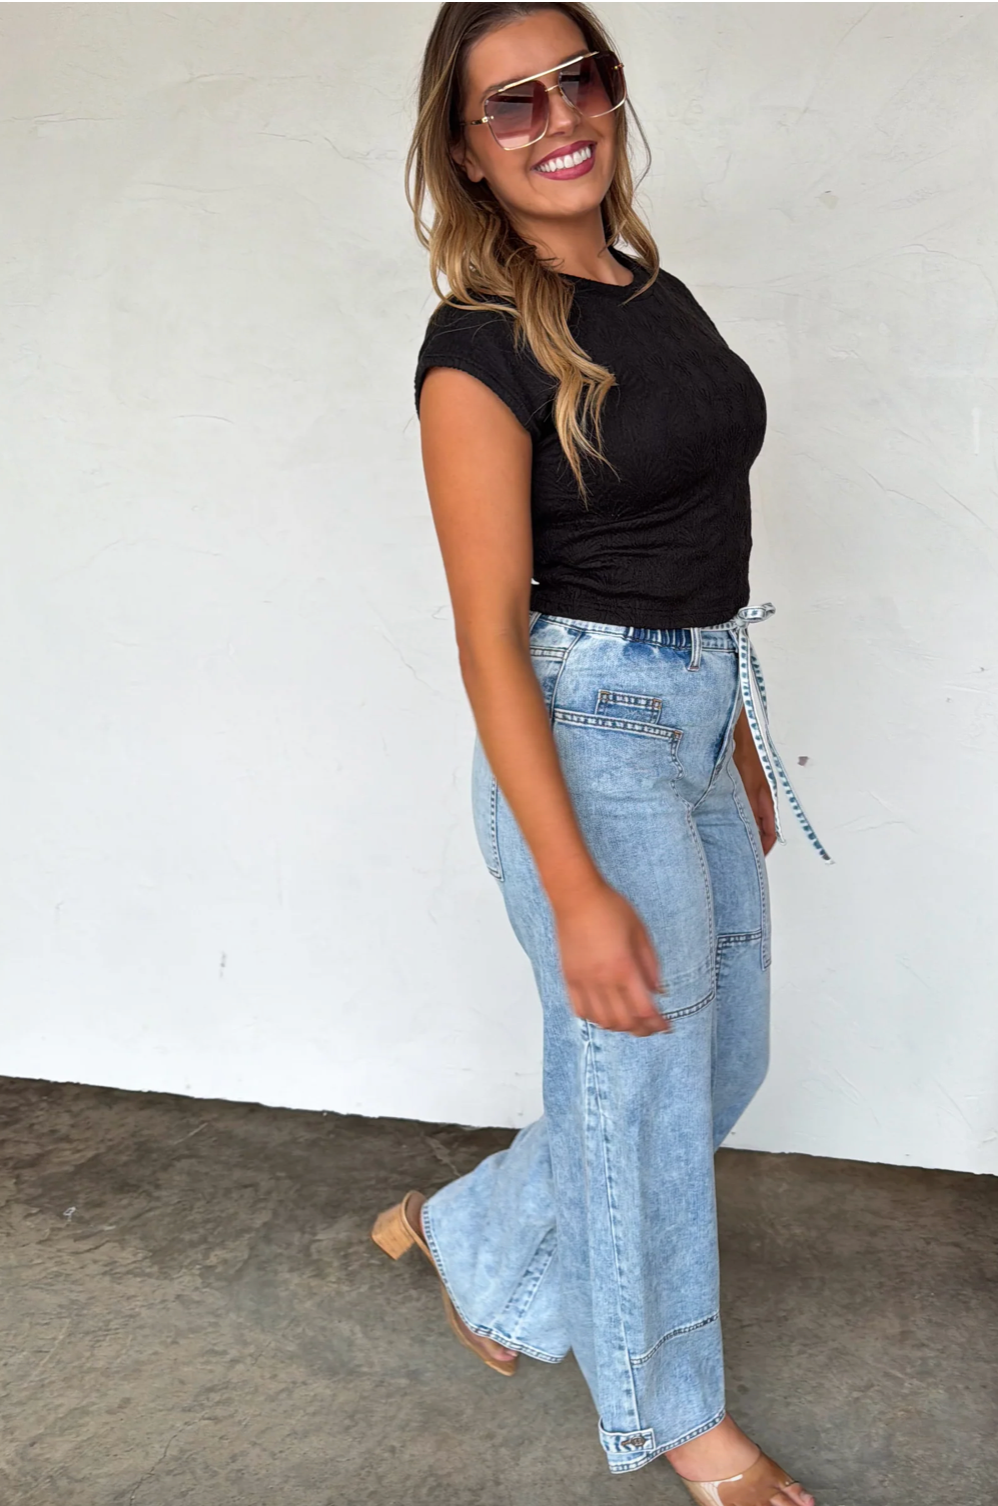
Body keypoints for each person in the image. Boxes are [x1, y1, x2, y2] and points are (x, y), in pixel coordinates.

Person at [373, 5, 830, 1502]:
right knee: (636, 1099)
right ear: (466, 146)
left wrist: (738, 746)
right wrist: (572, 883)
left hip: (693, 716)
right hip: (587, 734)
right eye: (512, 102)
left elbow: (700, 520)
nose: (556, 115)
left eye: (579, 79)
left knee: (717, 1060)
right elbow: (491, 636)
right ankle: (678, 1418)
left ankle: (480, 1235)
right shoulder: (476, 348)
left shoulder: (645, 284)